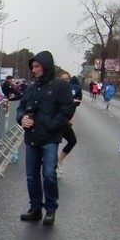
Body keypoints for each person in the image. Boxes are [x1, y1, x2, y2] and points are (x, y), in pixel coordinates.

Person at [16, 51, 75, 225]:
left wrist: (52, 124)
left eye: (36, 66)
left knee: (49, 173)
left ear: (46, 66)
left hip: (50, 138)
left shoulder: (60, 87)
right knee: (31, 176)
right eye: (32, 67)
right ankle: (35, 208)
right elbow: (21, 107)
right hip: (32, 137)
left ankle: (50, 209)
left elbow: (67, 109)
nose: (33, 70)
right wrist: (22, 119)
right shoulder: (32, 88)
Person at [57, 73, 82, 173]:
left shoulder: (74, 90)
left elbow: (78, 102)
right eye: (63, 79)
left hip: (66, 120)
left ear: (69, 80)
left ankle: (60, 161)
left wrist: (72, 116)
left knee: (72, 141)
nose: (65, 81)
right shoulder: (56, 90)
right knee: (54, 143)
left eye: (67, 79)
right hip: (55, 121)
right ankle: (51, 165)